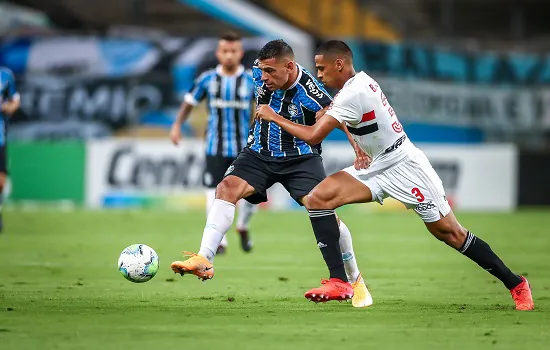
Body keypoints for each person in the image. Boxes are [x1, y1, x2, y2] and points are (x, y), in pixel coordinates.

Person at [255, 40, 534, 310]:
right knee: (317, 199)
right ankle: (340, 281)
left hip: (405, 166)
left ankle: (516, 283)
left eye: (322, 68)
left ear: (339, 64)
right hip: (376, 165)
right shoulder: (357, 84)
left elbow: (315, 134)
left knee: (450, 233)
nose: (318, 74)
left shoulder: (352, 93)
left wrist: (275, 116)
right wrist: (351, 139)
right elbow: (346, 117)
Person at [171, 39, 374, 308]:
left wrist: (358, 148)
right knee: (227, 188)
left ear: (289, 67)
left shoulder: (309, 90)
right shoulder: (257, 71)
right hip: (259, 152)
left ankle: (354, 279)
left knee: (324, 211)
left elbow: (336, 118)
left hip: (300, 158)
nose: (263, 77)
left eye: (270, 72)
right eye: (262, 71)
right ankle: (204, 258)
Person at [170, 32, 257, 254]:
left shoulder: (250, 80)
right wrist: (177, 125)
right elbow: (189, 102)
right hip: (214, 146)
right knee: (213, 191)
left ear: (240, 53)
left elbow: (263, 107)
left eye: (233, 51)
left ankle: (242, 226)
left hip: (244, 148)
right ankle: (221, 240)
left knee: (251, 195)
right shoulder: (208, 79)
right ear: (218, 53)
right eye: (225, 51)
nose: (229, 55)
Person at [0, 67, 21, 232]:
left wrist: (7, 107)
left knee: (1, 181)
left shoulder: (6, 75)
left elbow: (15, 101)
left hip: (0, 136)